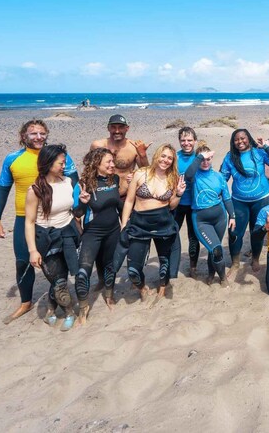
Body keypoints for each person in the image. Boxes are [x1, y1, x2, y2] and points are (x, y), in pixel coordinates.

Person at [0, 119, 78, 324]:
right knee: (23, 261)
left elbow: (74, 183)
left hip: (58, 219)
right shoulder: (13, 159)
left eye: (42, 133)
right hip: (26, 217)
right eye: (33, 134)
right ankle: (25, 302)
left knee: (58, 260)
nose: (39, 137)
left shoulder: (59, 157)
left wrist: (79, 210)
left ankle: (58, 297)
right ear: (24, 136)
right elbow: (2, 189)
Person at [116, 144, 186, 303]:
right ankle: (142, 287)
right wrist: (124, 223)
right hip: (139, 223)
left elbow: (172, 205)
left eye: (169, 158)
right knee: (133, 268)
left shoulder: (173, 177)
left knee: (164, 262)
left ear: (173, 161)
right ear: (157, 156)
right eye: (163, 156)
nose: (165, 160)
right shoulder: (141, 173)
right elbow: (129, 200)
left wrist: (179, 194)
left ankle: (162, 286)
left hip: (163, 223)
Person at [24, 144, 82, 332]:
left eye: (64, 162)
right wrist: (33, 250)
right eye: (60, 163)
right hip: (47, 239)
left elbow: (74, 209)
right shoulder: (36, 190)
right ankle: (69, 311)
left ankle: (50, 309)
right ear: (48, 164)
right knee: (57, 280)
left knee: (62, 276)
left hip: (68, 234)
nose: (64, 166)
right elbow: (30, 222)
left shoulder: (67, 182)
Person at [220, 128, 269, 274]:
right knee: (234, 232)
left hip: (262, 200)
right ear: (233, 142)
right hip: (239, 202)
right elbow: (223, 178)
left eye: (243, 138)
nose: (240, 141)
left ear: (249, 139)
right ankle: (235, 262)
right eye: (236, 139)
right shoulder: (230, 157)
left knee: (257, 231)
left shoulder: (259, 152)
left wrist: (266, 147)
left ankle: (255, 258)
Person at [73, 148, 121, 319]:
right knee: (83, 271)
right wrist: (83, 202)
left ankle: (109, 296)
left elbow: (119, 205)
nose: (112, 164)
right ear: (96, 164)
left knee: (110, 265)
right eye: (108, 162)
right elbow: (77, 214)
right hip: (92, 233)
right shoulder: (83, 183)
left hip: (113, 230)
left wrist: (126, 225)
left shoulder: (114, 179)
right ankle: (84, 308)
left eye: (112, 161)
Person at [185, 145, 236, 286]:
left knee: (215, 248)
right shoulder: (194, 176)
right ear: (197, 160)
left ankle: (211, 273)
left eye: (208, 159)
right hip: (201, 220)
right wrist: (200, 156)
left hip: (220, 218)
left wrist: (232, 216)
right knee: (216, 249)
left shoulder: (219, 176)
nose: (205, 162)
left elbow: (227, 198)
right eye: (202, 159)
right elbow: (188, 174)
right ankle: (223, 278)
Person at [90, 114, 151, 198]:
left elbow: (146, 172)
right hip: (102, 195)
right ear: (108, 128)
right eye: (113, 127)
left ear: (127, 128)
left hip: (125, 196)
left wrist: (143, 155)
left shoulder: (134, 147)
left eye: (121, 127)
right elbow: (89, 170)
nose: (117, 131)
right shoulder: (97, 145)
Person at [174, 126, 199, 277]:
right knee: (172, 234)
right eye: (183, 140)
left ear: (195, 141)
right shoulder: (174, 157)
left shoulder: (200, 157)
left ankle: (193, 267)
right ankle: (172, 264)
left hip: (194, 205)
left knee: (193, 236)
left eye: (189, 140)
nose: (186, 143)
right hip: (176, 204)